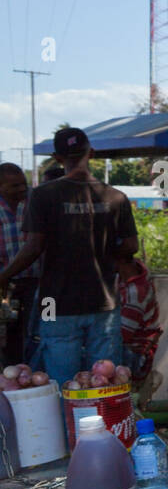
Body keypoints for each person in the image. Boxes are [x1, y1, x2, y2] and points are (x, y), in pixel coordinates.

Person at [0, 129, 137, 387]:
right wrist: (103, 252)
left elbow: (34, 246)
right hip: (104, 301)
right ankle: (105, 425)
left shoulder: (42, 195)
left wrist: (4, 276)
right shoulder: (116, 197)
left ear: (57, 157)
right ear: (91, 153)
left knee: (61, 379)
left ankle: (66, 425)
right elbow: (131, 245)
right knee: (104, 380)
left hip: (53, 300)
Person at [0, 163, 40, 365]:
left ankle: (39, 374)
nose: (22, 189)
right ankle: (12, 377)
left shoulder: (37, 199)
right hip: (6, 287)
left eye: (23, 184)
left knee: (44, 327)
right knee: (8, 334)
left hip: (43, 285)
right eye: (14, 186)